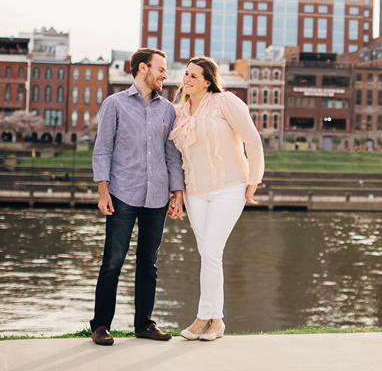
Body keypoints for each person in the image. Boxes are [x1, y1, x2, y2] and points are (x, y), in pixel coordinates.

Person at [89, 48, 185, 346]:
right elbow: (102, 149)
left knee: (149, 263)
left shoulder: (167, 109)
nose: (165, 75)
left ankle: (144, 324)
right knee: (113, 261)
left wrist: (178, 193)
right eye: (160, 69)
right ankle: (101, 325)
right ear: (143, 68)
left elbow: (172, 155)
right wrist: (103, 190)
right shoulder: (114, 104)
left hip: (156, 196)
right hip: (122, 194)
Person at [169, 57, 264, 342]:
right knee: (209, 255)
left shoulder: (226, 101)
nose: (187, 79)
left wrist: (253, 182)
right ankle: (217, 321)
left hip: (229, 187)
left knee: (210, 250)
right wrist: (179, 195)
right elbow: (176, 155)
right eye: (186, 74)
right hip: (195, 191)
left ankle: (202, 318)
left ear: (208, 82)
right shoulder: (177, 112)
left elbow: (253, 140)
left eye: (194, 76)